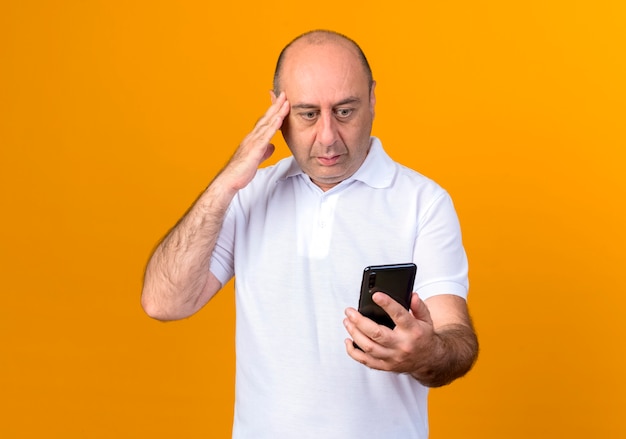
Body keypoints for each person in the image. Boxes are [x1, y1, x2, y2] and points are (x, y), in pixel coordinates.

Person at [142, 29, 478, 439]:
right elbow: (163, 302)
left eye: (345, 111)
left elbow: (455, 341)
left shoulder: (423, 202)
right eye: (306, 114)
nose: (327, 137)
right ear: (276, 111)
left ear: (372, 99)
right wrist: (226, 183)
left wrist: (425, 351)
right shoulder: (249, 196)